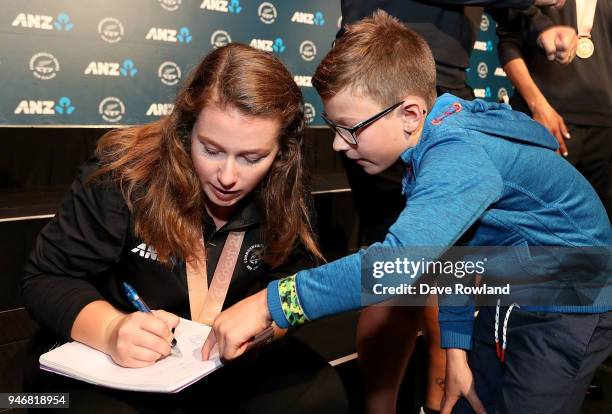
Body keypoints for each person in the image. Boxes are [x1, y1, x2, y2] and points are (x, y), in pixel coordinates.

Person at [203, 12, 612, 414]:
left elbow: (396, 266)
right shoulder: (436, 137)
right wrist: (455, 348)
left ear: (410, 115)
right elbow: (461, 254)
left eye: (350, 128)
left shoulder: (456, 157)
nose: (338, 146)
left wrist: (270, 304)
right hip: (512, 284)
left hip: (568, 303)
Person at [21, 43, 349, 414]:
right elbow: (44, 277)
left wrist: (269, 323)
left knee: (322, 395)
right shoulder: (124, 176)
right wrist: (112, 330)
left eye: (252, 158)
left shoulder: (284, 184)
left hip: (220, 359)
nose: (228, 176)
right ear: (185, 132)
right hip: (115, 357)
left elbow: (297, 273)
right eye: (210, 149)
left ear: (282, 153)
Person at [495, 1, 612, 218]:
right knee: (541, 225)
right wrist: (538, 107)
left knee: (600, 232)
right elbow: (508, 43)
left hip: (605, 128)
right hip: (548, 122)